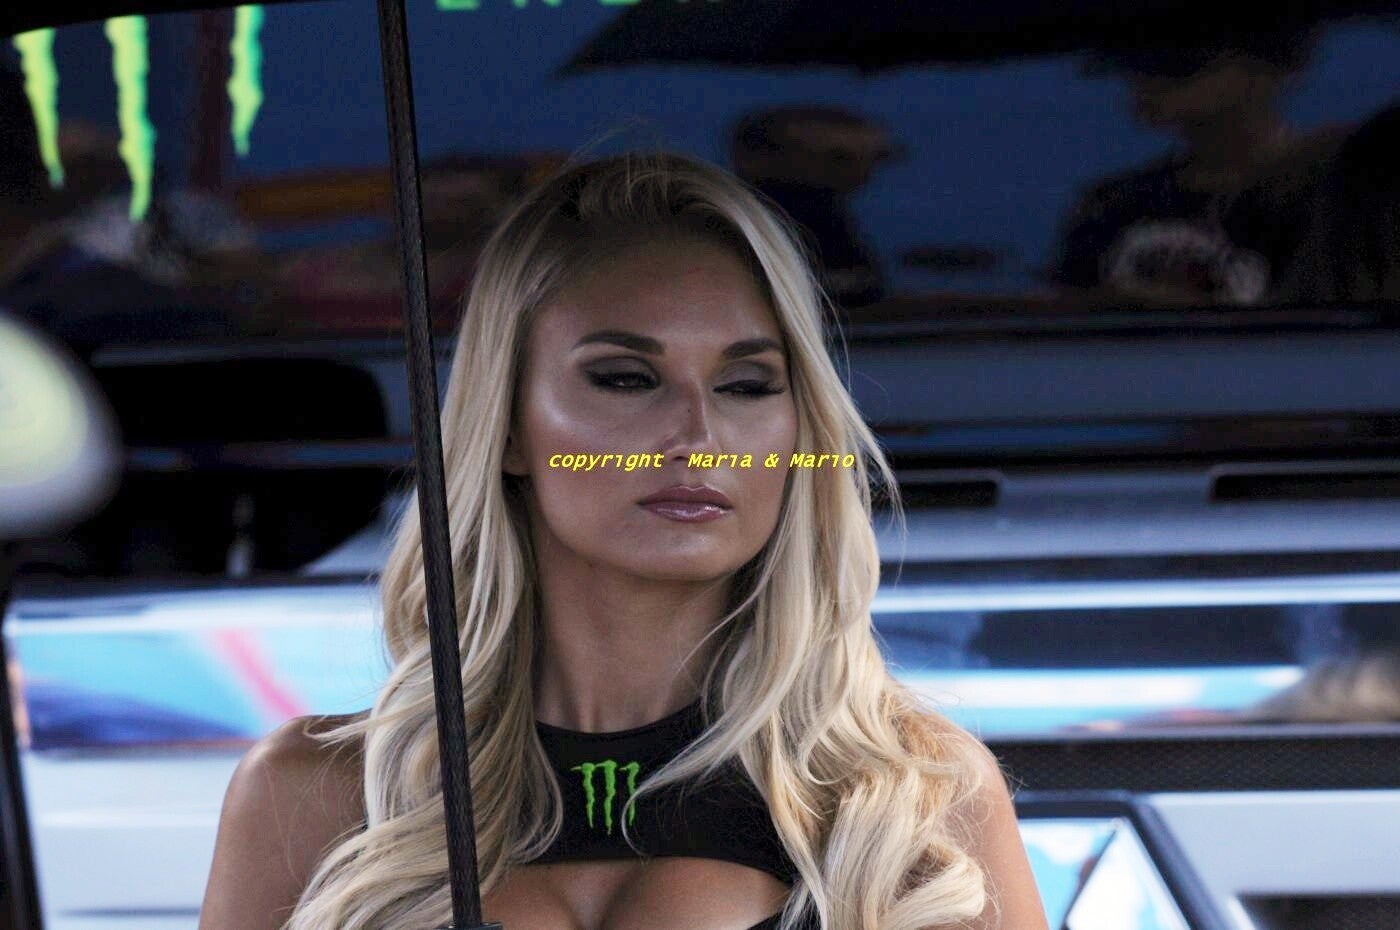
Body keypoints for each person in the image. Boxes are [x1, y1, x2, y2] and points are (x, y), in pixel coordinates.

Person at [197, 149, 1046, 930]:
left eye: (747, 384)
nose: (698, 437)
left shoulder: (913, 802)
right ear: (507, 426)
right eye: (626, 378)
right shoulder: (310, 796)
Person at [1048, 23, 1350, 307]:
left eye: (1181, 61)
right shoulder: (1112, 205)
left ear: (1264, 71)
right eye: (1139, 63)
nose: (1145, 79)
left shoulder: (1343, 197)